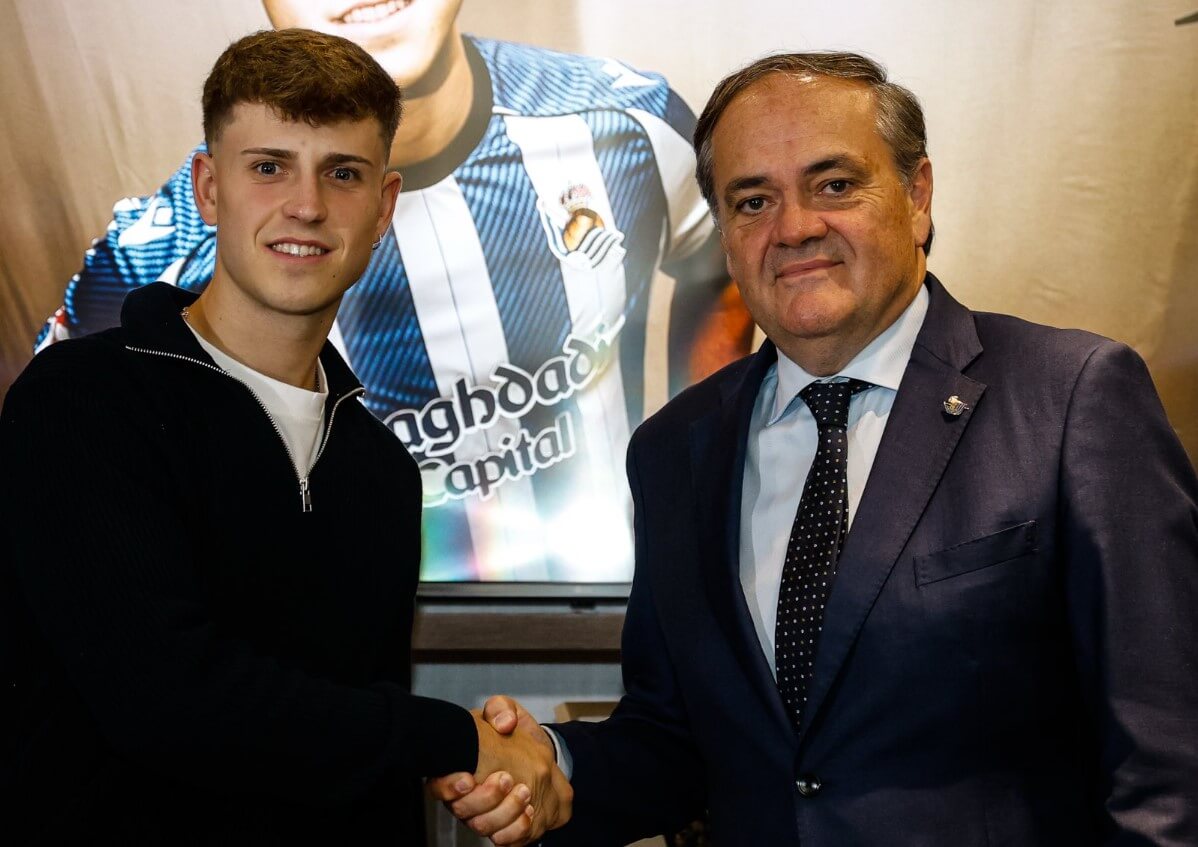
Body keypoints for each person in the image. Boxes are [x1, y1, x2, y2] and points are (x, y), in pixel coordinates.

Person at [434, 51, 1198, 845]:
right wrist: (552, 764)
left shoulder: (1071, 397)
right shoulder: (674, 449)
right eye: (753, 199)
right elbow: (677, 745)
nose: (794, 227)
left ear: (917, 196)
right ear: (725, 236)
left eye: (835, 184)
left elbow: (1170, 757)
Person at [1, 28, 570, 845]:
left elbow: (357, 761)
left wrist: (480, 772)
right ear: (208, 187)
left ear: (383, 206)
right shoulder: (82, 398)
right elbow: (164, 701)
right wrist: (455, 739)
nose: (306, 205)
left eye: (342, 173)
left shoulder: (379, 468)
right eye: (269, 166)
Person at [35, 0, 748, 585]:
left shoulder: (632, 124)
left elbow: (719, 264)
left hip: (604, 639)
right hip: (322, 689)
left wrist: (694, 483)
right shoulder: (154, 257)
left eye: (344, 176)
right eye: (271, 170)